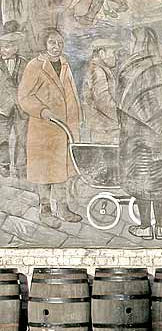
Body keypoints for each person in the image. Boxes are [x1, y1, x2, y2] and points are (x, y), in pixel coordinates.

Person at [117, 27, 162, 240]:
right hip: (161, 135)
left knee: (142, 180)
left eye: (132, 40)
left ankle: (145, 227)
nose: (129, 44)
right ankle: (161, 227)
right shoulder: (161, 65)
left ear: (140, 42)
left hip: (138, 135)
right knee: (160, 180)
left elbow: (123, 101)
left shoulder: (131, 66)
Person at [17, 28, 82, 228]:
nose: (56, 47)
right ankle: (45, 210)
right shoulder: (35, 66)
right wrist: (43, 111)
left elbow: (71, 93)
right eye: (52, 43)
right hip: (43, 128)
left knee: (62, 169)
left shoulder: (65, 64)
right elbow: (24, 97)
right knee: (44, 172)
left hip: (65, 128)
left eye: (60, 43)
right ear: (44, 44)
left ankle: (63, 209)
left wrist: (77, 118)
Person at [80, 39, 121, 144]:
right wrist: (121, 117)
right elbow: (103, 101)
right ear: (102, 53)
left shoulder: (98, 69)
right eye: (114, 53)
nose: (116, 57)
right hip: (103, 130)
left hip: (102, 128)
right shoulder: (98, 71)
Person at [0, 30, 27, 178]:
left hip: (21, 107)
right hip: (2, 108)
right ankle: (4, 165)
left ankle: (20, 167)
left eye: (7, 47)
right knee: (2, 138)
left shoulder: (24, 63)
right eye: (1, 47)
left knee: (22, 138)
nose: (2, 50)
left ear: (16, 48)